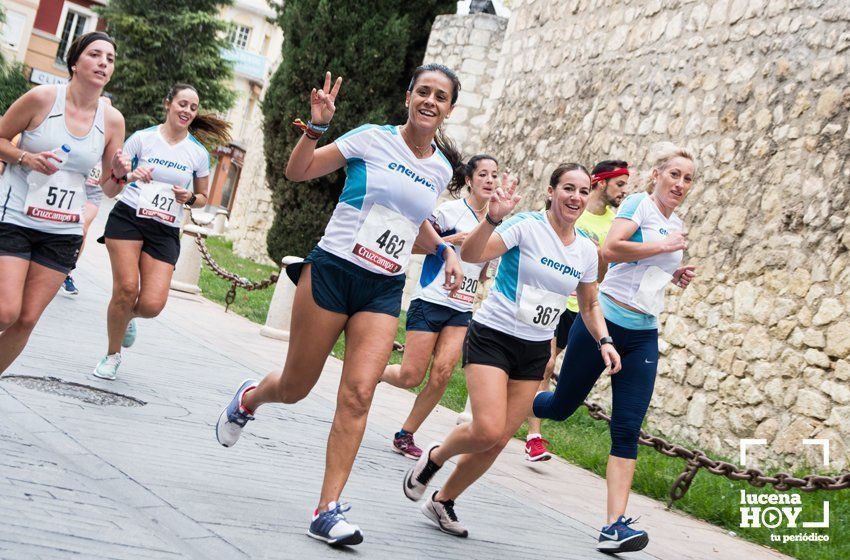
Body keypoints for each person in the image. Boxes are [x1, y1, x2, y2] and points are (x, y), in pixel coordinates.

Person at [215, 66, 465, 547]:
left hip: (383, 288)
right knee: (295, 385)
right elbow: (298, 171)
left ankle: (327, 509)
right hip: (332, 271)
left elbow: (413, 224)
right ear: (408, 96)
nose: (431, 101)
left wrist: (445, 250)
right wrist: (317, 126)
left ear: (449, 108)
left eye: (442, 96)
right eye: (424, 92)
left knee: (358, 395)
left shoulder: (440, 169)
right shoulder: (372, 138)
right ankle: (249, 399)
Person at [402, 165, 622, 538]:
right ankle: (437, 456)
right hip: (494, 335)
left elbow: (589, 304)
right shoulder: (525, 225)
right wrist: (491, 219)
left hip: (535, 349)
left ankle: (443, 500)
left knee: (500, 438)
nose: (576, 197)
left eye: (583, 192)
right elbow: (472, 255)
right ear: (551, 191)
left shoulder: (586, 249)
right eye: (568, 188)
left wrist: (605, 341)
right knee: (486, 428)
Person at [533, 143, 697, 553]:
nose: (680, 184)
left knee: (627, 427)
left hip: (643, 333)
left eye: (688, 178)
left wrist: (673, 273)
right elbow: (611, 250)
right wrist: (662, 248)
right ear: (656, 174)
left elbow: (643, 267)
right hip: (602, 322)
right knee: (560, 407)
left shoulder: (674, 221)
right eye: (674, 174)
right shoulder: (639, 205)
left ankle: (613, 526)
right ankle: (516, 398)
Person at [0, 31, 128, 375]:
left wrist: (117, 175)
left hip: (62, 230)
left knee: (25, 320)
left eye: (110, 59)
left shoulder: (112, 120)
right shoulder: (42, 98)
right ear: (74, 62)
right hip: (14, 218)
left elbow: (109, 190)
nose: (103, 63)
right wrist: (26, 158)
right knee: (5, 311)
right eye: (95, 54)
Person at [92, 83, 230, 380]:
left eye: (193, 107)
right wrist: (126, 174)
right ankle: (112, 354)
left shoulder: (197, 153)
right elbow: (109, 188)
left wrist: (189, 198)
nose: (187, 111)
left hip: (165, 228)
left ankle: (126, 315)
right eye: (182, 104)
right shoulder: (142, 139)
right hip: (129, 217)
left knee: (152, 305)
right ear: (168, 104)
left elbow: (204, 198)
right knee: (126, 288)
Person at [381, 154, 498, 459]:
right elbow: (415, 243)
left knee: (443, 372)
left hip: (461, 307)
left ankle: (405, 434)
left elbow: (483, 268)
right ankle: (375, 373)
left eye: (494, 175)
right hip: (430, 300)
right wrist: (451, 240)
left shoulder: (495, 223)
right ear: (469, 181)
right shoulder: (449, 212)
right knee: (410, 376)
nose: (489, 180)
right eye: (483, 174)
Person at [525, 160, 630, 461]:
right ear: (601, 182)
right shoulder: (573, 215)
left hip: (579, 309)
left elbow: (601, 272)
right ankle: (534, 436)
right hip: (551, 301)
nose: (624, 191)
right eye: (619, 184)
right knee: (545, 365)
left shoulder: (614, 223)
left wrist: (602, 257)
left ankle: (509, 411)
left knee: (542, 365)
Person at [59, 92, 114, 296]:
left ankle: (67, 270)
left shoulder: (111, 135)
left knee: (81, 227)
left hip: (92, 192)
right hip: (70, 187)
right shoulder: (80, 128)